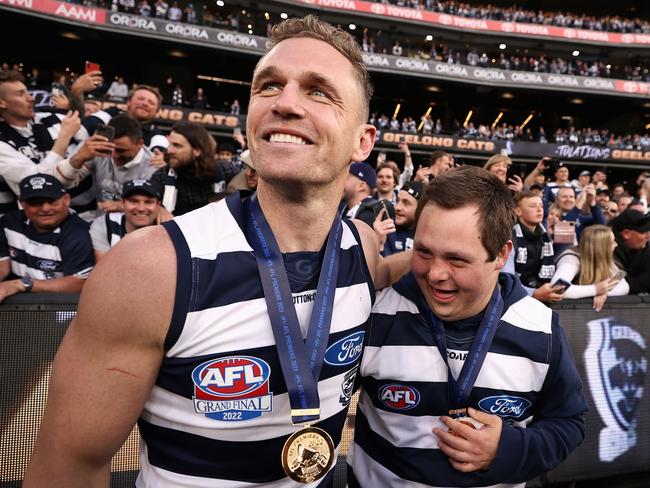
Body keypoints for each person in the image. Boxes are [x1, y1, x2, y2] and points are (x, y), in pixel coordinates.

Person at [25, 15, 409, 487]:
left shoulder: (365, 250)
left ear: (363, 141)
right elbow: (68, 468)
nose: (285, 103)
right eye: (268, 86)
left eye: (318, 91)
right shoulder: (151, 268)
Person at [348, 165, 587, 487]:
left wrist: (509, 449)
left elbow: (568, 422)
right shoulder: (376, 312)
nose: (435, 274)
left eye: (457, 260)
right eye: (423, 251)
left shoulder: (540, 327)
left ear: (501, 254)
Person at [0, 70, 89, 214]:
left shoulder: (55, 118)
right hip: (32, 223)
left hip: (84, 211)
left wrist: (71, 173)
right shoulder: (2, 142)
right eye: (20, 94)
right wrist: (64, 138)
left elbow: (88, 151)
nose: (31, 98)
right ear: (2, 103)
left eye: (27, 92)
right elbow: (39, 182)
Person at [0, 174, 94, 302]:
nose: (45, 208)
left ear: (66, 200)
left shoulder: (79, 235)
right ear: (22, 203)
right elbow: (3, 265)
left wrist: (21, 284)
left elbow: (79, 283)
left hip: (60, 307)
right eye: (35, 203)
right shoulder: (8, 223)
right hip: (13, 303)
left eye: (52, 201)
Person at [67, 114, 164, 216]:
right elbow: (67, 182)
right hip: (100, 219)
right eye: (110, 148)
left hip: (135, 224)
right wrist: (79, 157)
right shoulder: (99, 151)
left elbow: (154, 209)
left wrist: (122, 206)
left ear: (140, 143)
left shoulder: (154, 165)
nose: (114, 155)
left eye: (121, 150)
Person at [551, 225, 628, 311]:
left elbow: (623, 284)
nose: (616, 245)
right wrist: (595, 290)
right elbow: (557, 288)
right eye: (613, 242)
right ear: (601, 247)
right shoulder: (570, 259)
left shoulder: (605, 259)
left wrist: (606, 293)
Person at [504, 191, 563, 303]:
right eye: (533, 206)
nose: (539, 209)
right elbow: (506, 281)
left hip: (540, 298)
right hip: (512, 302)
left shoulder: (546, 238)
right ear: (518, 211)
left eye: (541, 205)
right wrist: (534, 293)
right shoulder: (509, 238)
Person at [90, 179, 165, 261]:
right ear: (122, 203)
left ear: (158, 205)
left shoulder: (169, 230)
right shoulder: (105, 225)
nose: (141, 208)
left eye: (148, 202)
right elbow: (104, 270)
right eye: (133, 201)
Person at [162, 121, 220, 215]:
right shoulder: (162, 177)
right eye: (170, 144)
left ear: (197, 150)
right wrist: (158, 208)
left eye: (177, 145)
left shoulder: (225, 172)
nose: (169, 150)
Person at [373, 181, 422, 256]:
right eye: (397, 201)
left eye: (406, 203)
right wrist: (379, 243)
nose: (397, 207)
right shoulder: (388, 231)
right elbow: (383, 265)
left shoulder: (428, 237)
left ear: (421, 208)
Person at [610, 209, 650, 294]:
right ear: (626, 234)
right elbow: (614, 283)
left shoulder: (645, 248)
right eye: (643, 232)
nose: (648, 236)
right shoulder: (610, 249)